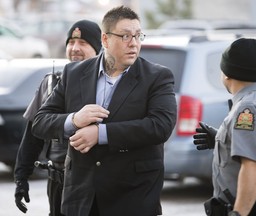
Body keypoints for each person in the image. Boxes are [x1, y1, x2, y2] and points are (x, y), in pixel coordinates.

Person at [31, 5, 177, 216]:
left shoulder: (157, 76)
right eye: (125, 36)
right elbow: (40, 121)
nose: (134, 43)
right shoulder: (74, 73)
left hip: (132, 198)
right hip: (81, 199)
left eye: (138, 36)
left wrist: (100, 134)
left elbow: (160, 126)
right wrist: (74, 119)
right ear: (105, 39)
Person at [14, 19, 102, 215]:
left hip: (92, 184)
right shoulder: (51, 82)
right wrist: (21, 177)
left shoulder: (106, 85)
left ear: (98, 49)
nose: (75, 48)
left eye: (83, 43)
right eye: (71, 42)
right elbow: (32, 135)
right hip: (57, 182)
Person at [193, 38, 256, 216]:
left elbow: (253, 166)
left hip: (250, 211)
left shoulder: (249, 108)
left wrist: (239, 213)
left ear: (227, 73)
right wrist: (221, 140)